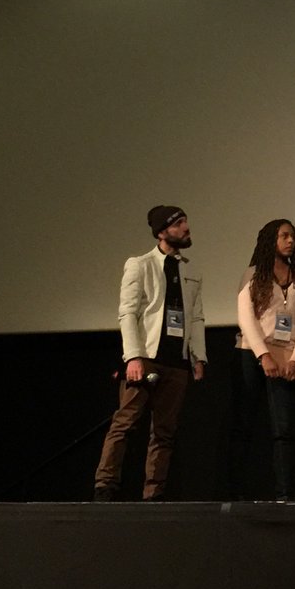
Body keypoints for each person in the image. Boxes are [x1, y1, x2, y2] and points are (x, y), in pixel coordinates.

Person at [94, 205, 206, 501]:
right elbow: (127, 313)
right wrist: (133, 356)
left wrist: (199, 356)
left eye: (186, 220)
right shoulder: (140, 264)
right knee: (124, 423)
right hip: (145, 357)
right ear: (162, 231)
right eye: (179, 223)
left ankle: (153, 496)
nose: (186, 227)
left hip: (176, 361)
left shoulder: (190, 269)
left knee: (165, 432)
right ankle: (104, 488)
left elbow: (196, 316)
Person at [228, 219, 295, 501]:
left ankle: (285, 495)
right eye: (284, 236)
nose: (291, 241)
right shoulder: (253, 275)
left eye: (293, 236)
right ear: (270, 241)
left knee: (284, 429)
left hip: (287, 357)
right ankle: (236, 492)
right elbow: (246, 318)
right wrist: (262, 355)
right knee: (244, 425)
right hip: (251, 353)